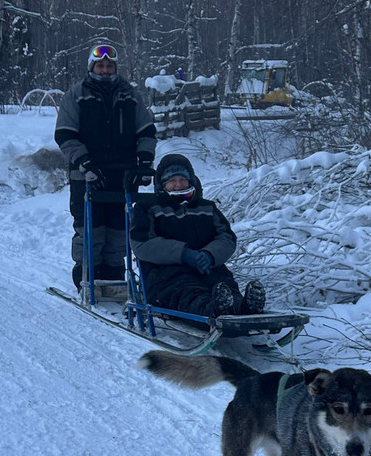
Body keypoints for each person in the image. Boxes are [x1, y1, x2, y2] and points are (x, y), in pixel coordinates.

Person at [54, 43, 157, 289]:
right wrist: (84, 162)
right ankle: (87, 276)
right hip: (87, 174)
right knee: (91, 228)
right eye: (100, 65)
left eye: (109, 65)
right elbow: (65, 134)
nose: (105, 70)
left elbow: (146, 130)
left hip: (123, 174)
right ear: (92, 67)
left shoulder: (130, 95)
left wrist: (144, 160)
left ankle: (112, 277)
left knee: (119, 230)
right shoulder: (76, 94)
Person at [129, 153, 265, 319]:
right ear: (162, 184)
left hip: (208, 267)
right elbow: (142, 244)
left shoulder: (207, 207)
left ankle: (241, 307)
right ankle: (213, 312)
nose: (178, 185)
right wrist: (184, 254)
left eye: (182, 179)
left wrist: (209, 254)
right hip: (166, 274)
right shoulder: (148, 208)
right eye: (172, 181)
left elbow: (227, 237)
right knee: (187, 291)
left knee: (222, 283)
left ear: (190, 180)